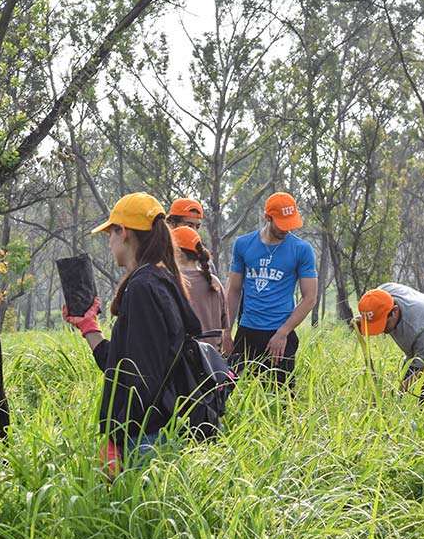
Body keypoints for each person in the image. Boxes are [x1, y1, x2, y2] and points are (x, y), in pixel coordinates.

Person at [63, 192, 200, 469]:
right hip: (157, 429)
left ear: (123, 232)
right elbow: (125, 364)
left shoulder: (143, 287)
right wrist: (89, 327)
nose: (110, 242)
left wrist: (116, 437)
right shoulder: (160, 279)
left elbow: (139, 379)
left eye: (110, 234)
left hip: (145, 437)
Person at [222, 192, 317, 389]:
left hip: (280, 333)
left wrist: (283, 332)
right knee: (229, 392)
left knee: (279, 399)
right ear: (267, 218)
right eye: (282, 224)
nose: (287, 229)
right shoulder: (243, 244)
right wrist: (226, 332)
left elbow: (310, 298)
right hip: (247, 331)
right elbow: (233, 290)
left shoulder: (301, 249)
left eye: (290, 223)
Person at [171, 226, 229, 349]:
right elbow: (224, 324)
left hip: (185, 360)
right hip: (213, 361)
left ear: (178, 253)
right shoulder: (214, 282)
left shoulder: (174, 283)